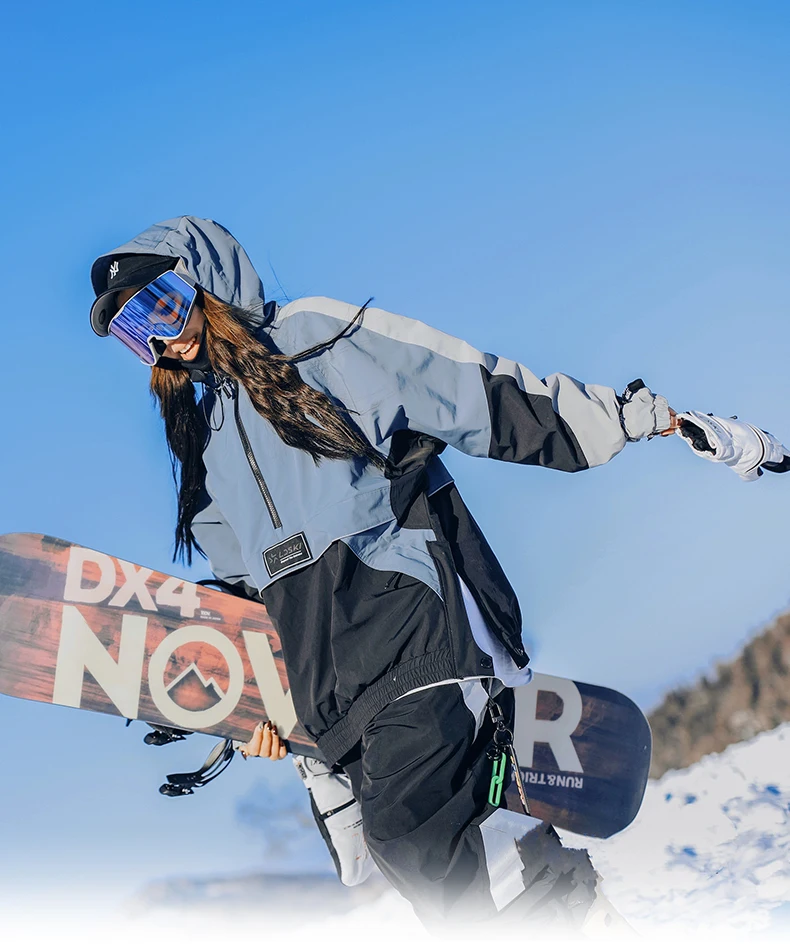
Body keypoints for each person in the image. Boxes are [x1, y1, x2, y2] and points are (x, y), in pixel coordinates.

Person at [89, 215, 788, 932]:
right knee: (425, 857)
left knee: (417, 834)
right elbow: (248, 600)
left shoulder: (316, 338)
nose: (161, 337)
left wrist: (647, 419)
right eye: (135, 331)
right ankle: (571, 909)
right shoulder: (205, 442)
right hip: (335, 691)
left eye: (161, 305)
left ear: (205, 280)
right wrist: (252, 705)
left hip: (417, 626)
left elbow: (476, 391)